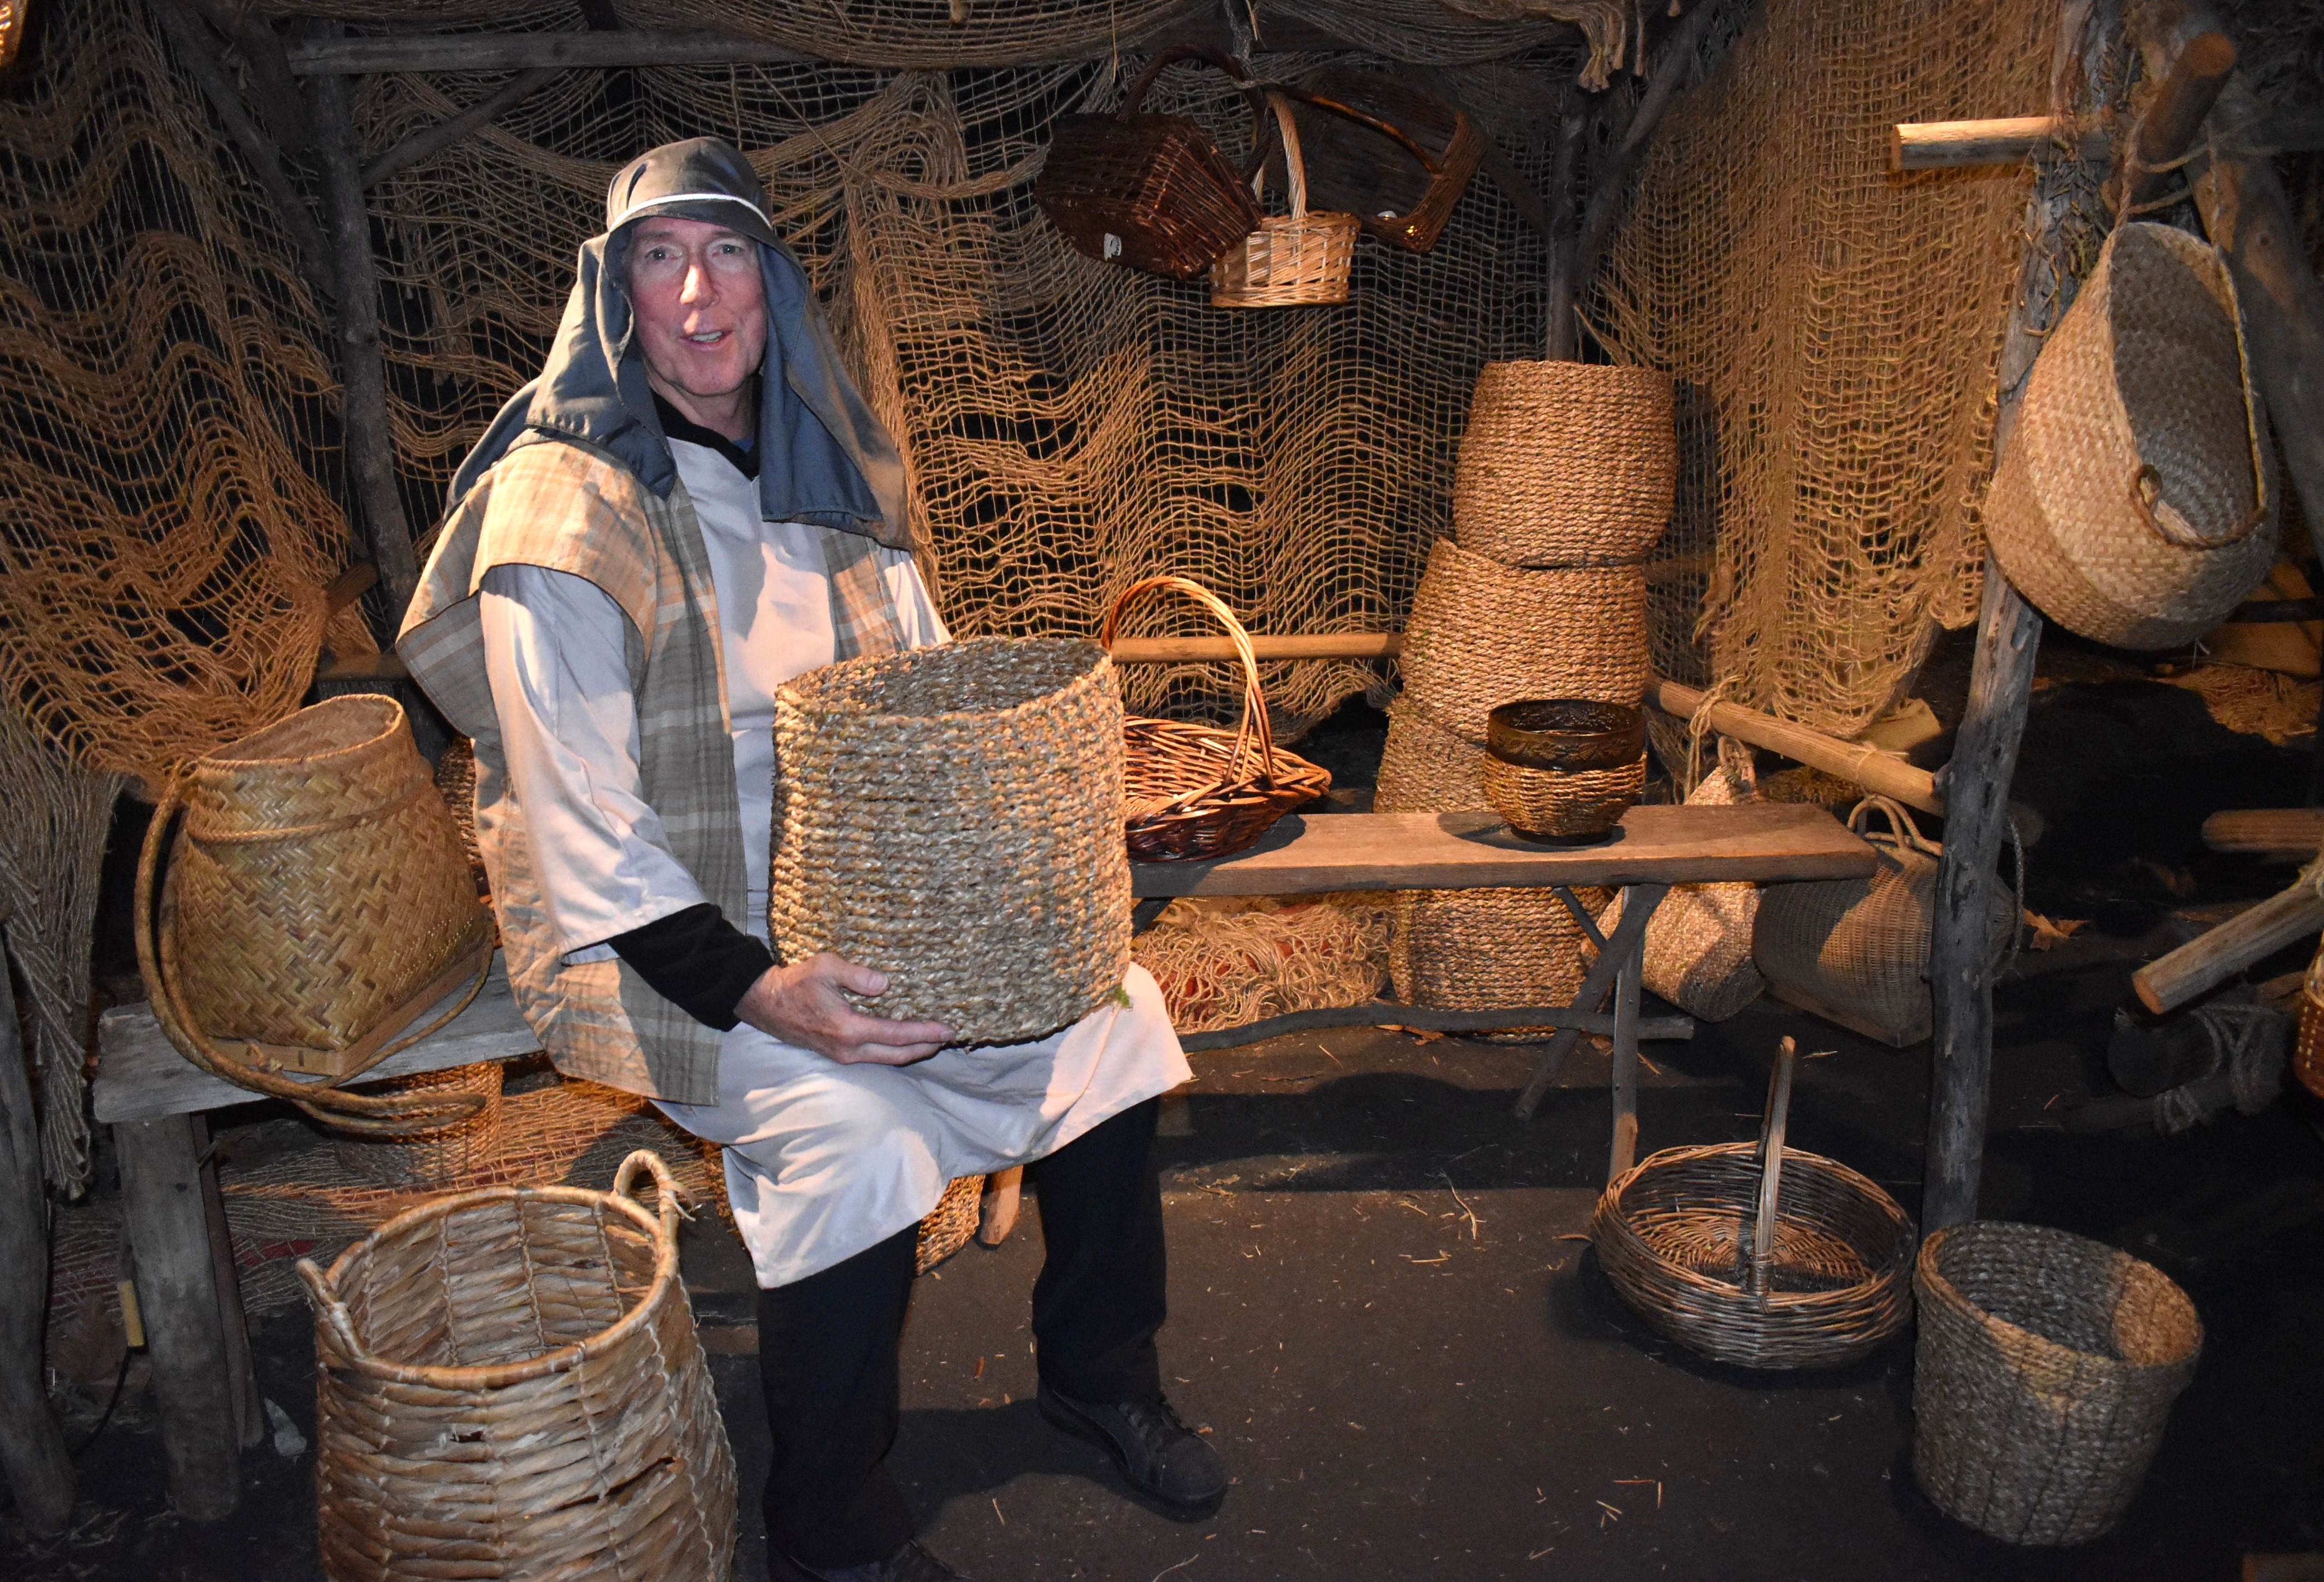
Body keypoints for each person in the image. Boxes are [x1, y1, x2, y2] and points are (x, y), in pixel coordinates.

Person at [398, 137, 1223, 1582]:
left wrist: (1011, 866)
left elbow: (928, 693)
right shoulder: (561, 520)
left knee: (1112, 1023)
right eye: (662, 260)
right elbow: (581, 822)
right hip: (674, 936)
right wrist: (770, 993)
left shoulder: (817, 469)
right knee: (858, 1136)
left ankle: (1099, 1374)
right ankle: (827, 1523)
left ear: (770, 284)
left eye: (728, 256)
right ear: (616, 298)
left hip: (868, 896)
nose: (700, 297)